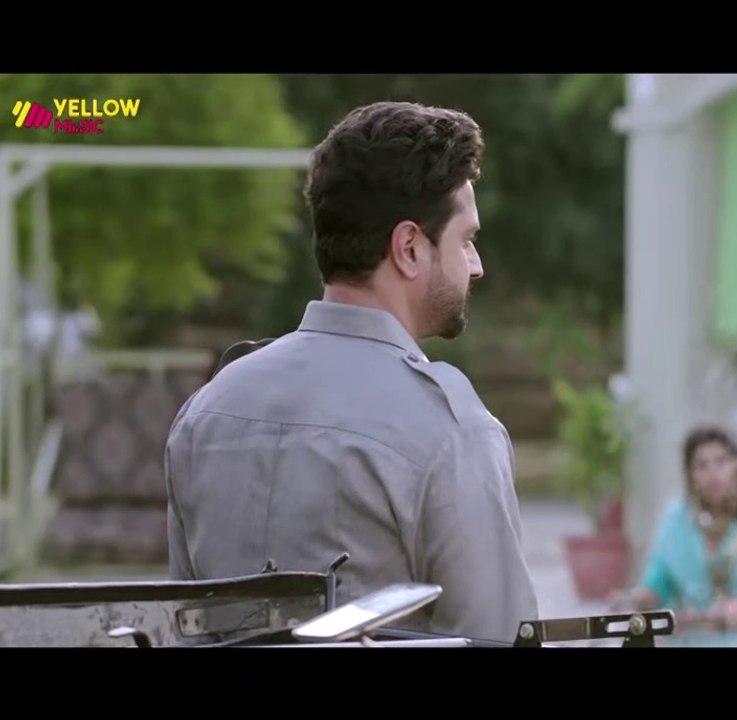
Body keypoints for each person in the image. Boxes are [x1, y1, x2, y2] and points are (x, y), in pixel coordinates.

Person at [164, 101, 540, 643]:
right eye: (465, 239)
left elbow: (181, 626)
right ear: (408, 248)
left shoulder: (206, 411)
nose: (475, 265)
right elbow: (501, 636)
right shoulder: (449, 431)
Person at [611, 425, 737, 646]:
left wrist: (733, 611)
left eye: (721, 462)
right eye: (701, 465)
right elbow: (659, 579)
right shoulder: (677, 519)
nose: (712, 473)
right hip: (692, 638)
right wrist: (637, 599)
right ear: (690, 475)